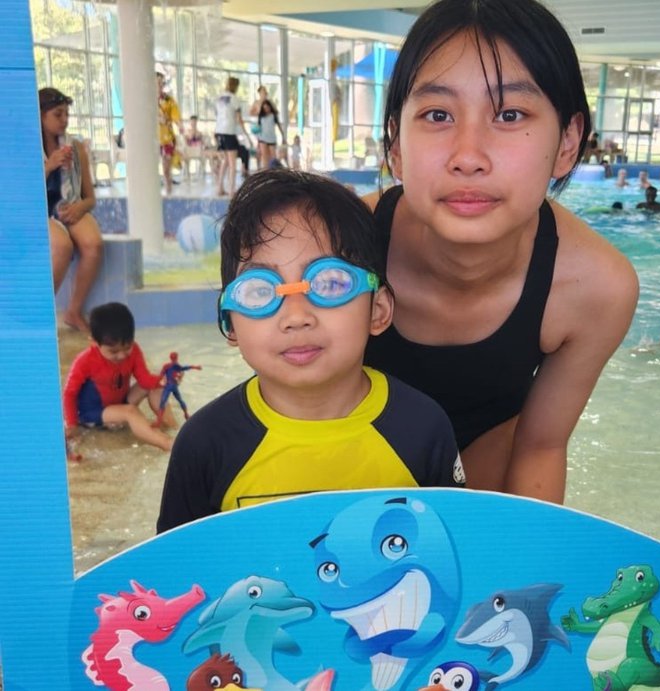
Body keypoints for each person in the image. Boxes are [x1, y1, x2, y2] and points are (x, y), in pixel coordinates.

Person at [362, 0, 639, 503]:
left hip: (489, 469)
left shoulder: (595, 287)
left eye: (510, 114)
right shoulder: (339, 247)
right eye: (438, 114)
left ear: (567, 142)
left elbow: (542, 446)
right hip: (349, 471)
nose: (468, 157)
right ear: (395, 145)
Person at [156, 169, 464, 532]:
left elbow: (450, 548)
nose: (296, 317)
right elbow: (175, 565)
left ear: (378, 310)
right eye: (260, 291)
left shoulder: (421, 428)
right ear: (230, 323)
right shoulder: (205, 445)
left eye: (329, 283)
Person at [63, 302, 175, 455]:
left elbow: (144, 379)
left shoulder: (134, 350)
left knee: (154, 385)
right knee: (130, 412)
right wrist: (72, 425)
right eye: (113, 352)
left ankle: (174, 427)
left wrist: (165, 381)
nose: (122, 355)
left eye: (127, 347)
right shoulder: (85, 361)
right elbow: (69, 393)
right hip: (92, 414)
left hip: (119, 403)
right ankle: (168, 444)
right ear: (94, 342)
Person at [39, 87, 103, 333]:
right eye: (58, 114)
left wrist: (79, 208)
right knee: (62, 246)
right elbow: (22, 194)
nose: (64, 120)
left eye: (67, 114)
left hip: (69, 207)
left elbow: (90, 198)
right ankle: (42, 313)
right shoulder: (28, 149)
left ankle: (73, 311)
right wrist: (49, 166)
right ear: (41, 116)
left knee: (93, 244)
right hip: (40, 212)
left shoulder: (75, 148)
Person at [215, 76, 253, 197]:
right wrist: (246, 134)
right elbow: (239, 119)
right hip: (229, 132)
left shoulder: (220, 98)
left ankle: (219, 188)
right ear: (235, 86)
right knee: (232, 163)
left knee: (225, 161)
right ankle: (232, 190)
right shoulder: (234, 99)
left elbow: (218, 116)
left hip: (219, 132)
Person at [154, 351, 202, 427]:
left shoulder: (172, 366)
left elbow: (161, 375)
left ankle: (159, 420)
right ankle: (185, 414)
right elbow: (185, 368)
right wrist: (196, 367)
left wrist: (195, 367)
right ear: (176, 358)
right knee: (174, 400)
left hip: (171, 386)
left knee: (165, 401)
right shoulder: (173, 366)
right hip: (171, 385)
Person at [157, 71, 182, 195]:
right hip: (152, 139)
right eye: (157, 83)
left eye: (161, 83)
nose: (159, 85)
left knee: (166, 169)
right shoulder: (146, 100)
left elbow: (176, 116)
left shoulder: (168, 100)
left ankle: (169, 193)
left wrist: (180, 125)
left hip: (167, 138)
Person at [249, 85, 285, 170]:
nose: (264, 93)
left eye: (265, 91)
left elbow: (276, 112)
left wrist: (283, 136)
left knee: (273, 157)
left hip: (271, 136)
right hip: (262, 134)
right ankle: (262, 170)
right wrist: (259, 112)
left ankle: (272, 171)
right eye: (262, 91)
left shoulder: (270, 103)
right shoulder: (256, 103)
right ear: (259, 93)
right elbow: (250, 113)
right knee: (263, 155)